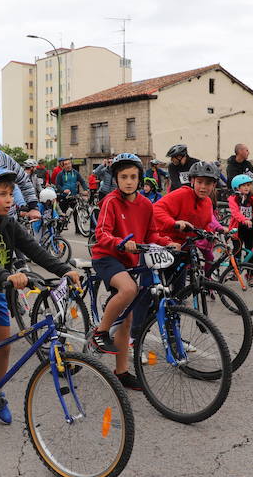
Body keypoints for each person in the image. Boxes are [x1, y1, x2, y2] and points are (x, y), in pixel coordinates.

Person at [0, 168, 79, 417]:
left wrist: (64, 269)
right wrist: (6, 276)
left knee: (3, 347)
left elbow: (34, 249)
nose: (10, 199)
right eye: (2, 194)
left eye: (11, 193)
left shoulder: (8, 222)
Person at [89, 153, 172, 390]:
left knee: (127, 319)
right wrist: (119, 242)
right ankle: (101, 331)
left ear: (139, 178)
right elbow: (101, 234)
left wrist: (167, 242)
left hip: (129, 260)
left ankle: (121, 371)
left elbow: (151, 235)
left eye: (133, 177)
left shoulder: (146, 204)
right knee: (129, 289)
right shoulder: (111, 201)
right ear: (116, 179)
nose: (128, 181)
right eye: (123, 177)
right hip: (107, 256)